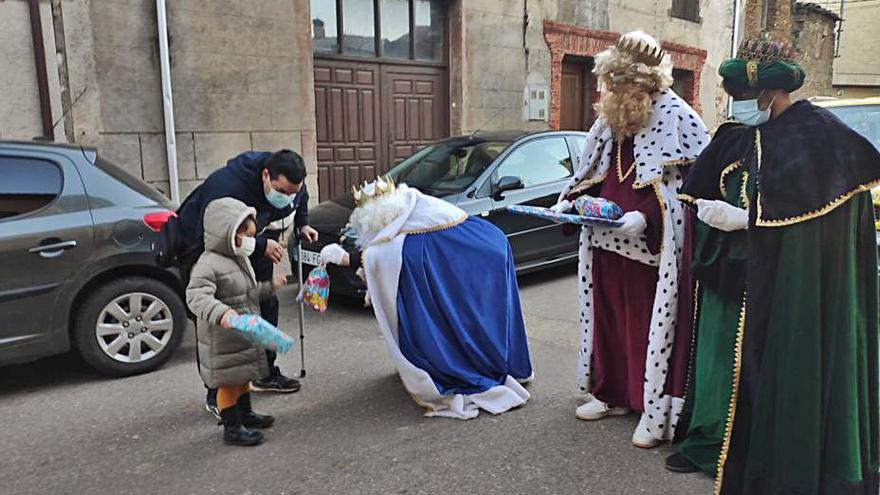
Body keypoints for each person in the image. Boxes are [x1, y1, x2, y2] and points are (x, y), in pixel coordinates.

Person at [678, 37, 880, 494]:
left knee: (790, 377)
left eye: (747, 99)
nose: (741, 107)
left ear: (769, 95)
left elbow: (813, 230)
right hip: (742, 283)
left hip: (800, 292)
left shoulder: (826, 139)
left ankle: (790, 464)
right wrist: (724, 218)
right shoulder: (741, 134)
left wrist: (746, 221)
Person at [551, 30, 710, 448]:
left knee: (648, 328)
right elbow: (591, 173)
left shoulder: (680, 117)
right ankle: (611, 394)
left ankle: (653, 409)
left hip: (653, 250)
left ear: (647, 84)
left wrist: (649, 216)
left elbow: (694, 189)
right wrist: (572, 201)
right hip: (606, 242)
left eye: (625, 82)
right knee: (608, 321)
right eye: (613, 82)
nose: (616, 91)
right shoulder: (608, 120)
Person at [320, 178, 533, 419]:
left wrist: (347, 258)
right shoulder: (413, 209)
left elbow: (390, 254)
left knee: (453, 325)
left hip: (474, 261)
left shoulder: (416, 224)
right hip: (479, 251)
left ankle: (458, 366)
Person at [162, 150, 319, 416]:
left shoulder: (290, 185)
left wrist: (302, 225)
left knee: (266, 304)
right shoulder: (227, 187)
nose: (288, 197)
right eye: (283, 191)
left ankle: (264, 373)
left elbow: (299, 199)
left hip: (254, 245)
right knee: (219, 327)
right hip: (203, 248)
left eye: (294, 191)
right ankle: (218, 393)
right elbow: (211, 235)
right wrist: (259, 244)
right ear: (266, 176)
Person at [185, 198, 288, 446]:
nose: (248, 241)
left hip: (241, 336)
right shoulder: (208, 264)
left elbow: (246, 293)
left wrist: (268, 288)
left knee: (243, 378)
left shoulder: (237, 258)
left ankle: (246, 414)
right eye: (242, 235)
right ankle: (232, 427)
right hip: (223, 339)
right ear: (225, 232)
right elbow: (195, 296)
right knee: (228, 385)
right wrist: (222, 314)